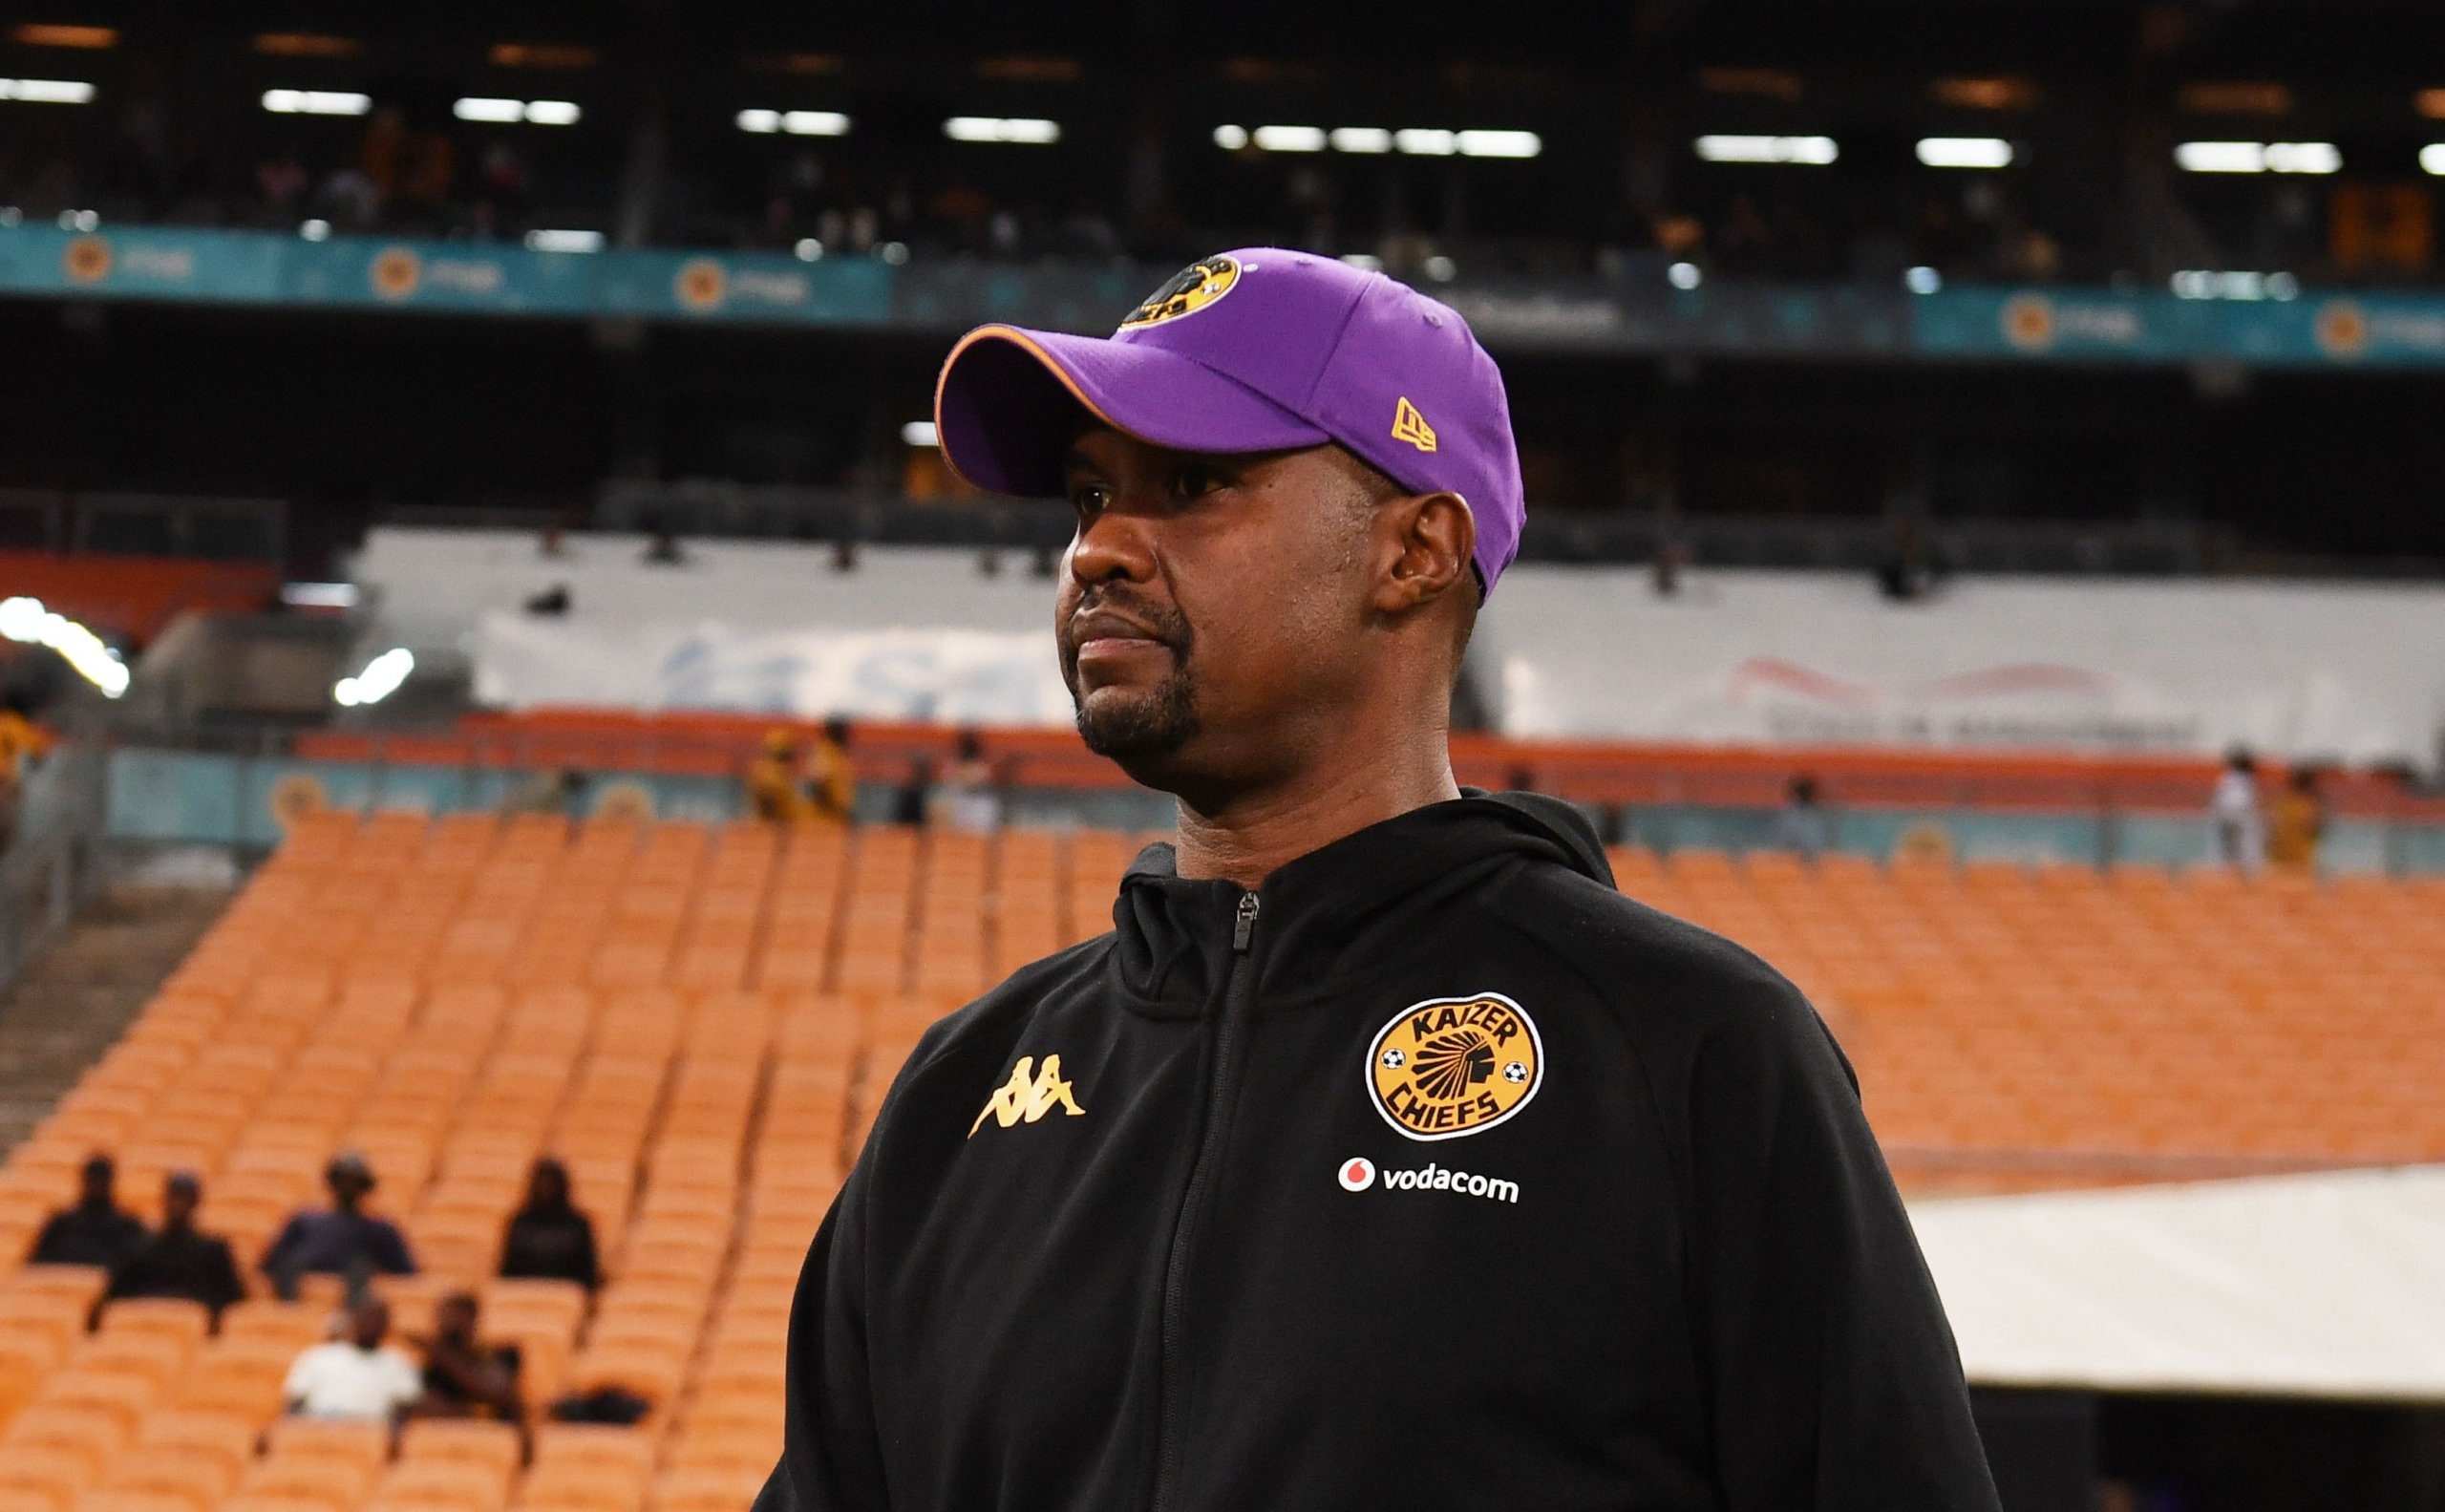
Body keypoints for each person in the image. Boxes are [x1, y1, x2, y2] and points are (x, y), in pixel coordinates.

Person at [758, 250, 1999, 1510]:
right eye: (1088, 497)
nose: (1099, 553)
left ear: (1414, 549)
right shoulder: (960, 1098)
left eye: (1194, 484)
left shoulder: (1689, 1049)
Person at [260, 1152, 416, 1302]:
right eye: (342, 1180)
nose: (348, 1186)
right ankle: (290, 1314)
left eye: (354, 1182)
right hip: (297, 1294)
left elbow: (406, 1275)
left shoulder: (378, 1229)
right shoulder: (304, 1220)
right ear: (333, 1182)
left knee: (360, 1269)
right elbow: (270, 1264)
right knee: (288, 1264)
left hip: (353, 1300)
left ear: (364, 1187)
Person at [105, 1170, 244, 1320]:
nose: (178, 1204)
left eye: (184, 1198)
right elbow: (115, 1300)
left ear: (195, 1202)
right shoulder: (140, 1250)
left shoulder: (213, 1252)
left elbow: (233, 1303)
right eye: (175, 1196)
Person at [284, 1297, 422, 1423]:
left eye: (377, 1320)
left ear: (386, 1325)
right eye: (366, 1318)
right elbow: (295, 1403)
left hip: (371, 1432)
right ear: (352, 1320)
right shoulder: (318, 1357)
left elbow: (406, 1407)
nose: (371, 1325)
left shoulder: (398, 1362)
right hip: (321, 1429)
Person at [416, 1291, 523, 1419]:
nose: (447, 1323)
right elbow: (426, 1404)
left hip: (492, 1433)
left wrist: (444, 1356)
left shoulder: (502, 1354)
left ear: (472, 1320)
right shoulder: (433, 1367)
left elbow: (497, 1393)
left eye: (456, 1317)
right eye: (442, 1318)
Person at [30, 1153, 147, 1269]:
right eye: (93, 1180)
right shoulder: (62, 1224)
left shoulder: (128, 1226)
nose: (96, 1186)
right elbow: (38, 1266)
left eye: (100, 1181)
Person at [499, 1158, 600, 1290]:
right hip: (524, 1293)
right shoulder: (520, 1223)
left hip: (566, 1295)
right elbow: (508, 1271)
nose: (546, 1188)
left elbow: (587, 1273)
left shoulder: (578, 1225)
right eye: (541, 1183)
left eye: (551, 1183)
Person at [937, 729, 1002, 834]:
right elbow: (947, 783)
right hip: (958, 803)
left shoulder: (982, 766)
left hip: (978, 806)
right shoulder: (952, 765)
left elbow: (980, 780)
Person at [2264, 765, 2327, 873]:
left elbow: (2269, 830)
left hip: (2277, 859)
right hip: (2301, 861)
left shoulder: (2279, 803)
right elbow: (2316, 832)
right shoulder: (2312, 806)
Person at [2211, 748, 2264, 872]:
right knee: (2246, 848)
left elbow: (2216, 800)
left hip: (2226, 815)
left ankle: (2228, 871)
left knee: (2228, 850)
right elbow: (2253, 802)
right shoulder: (2245, 780)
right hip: (2241, 814)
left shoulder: (2225, 779)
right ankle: (2246, 871)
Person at [747, 731, 809, 823]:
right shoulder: (768, 775)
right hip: (769, 828)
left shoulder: (768, 772)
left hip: (773, 825)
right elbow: (784, 810)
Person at [804, 716, 857, 822]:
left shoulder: (837, 754)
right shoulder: (823, 753)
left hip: (838, 818)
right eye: (844, 730)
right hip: (826, 821)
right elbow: (821, 780)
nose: (848, 735)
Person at [1775, 773, 1833, 859]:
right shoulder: (1788, 815)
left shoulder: (1819, 815)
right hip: (1794, 857)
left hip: (1813, 855)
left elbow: (1824, 842)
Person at [890, 755, 934, 827]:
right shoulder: (908, 793)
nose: (922, 773)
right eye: (919, 769)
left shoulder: (934, 791)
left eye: (924, 769)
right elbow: (901, 820)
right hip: (910, 830)